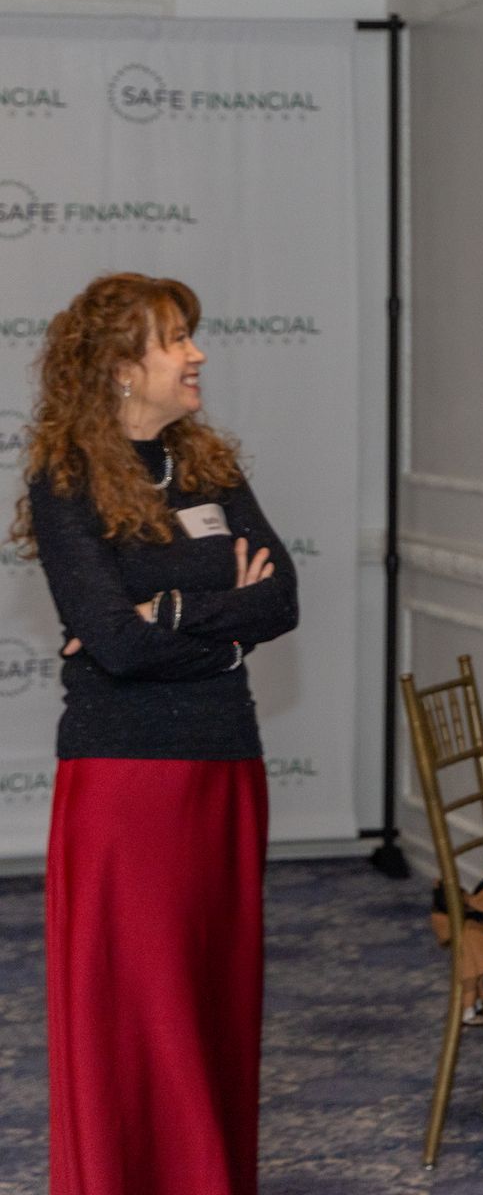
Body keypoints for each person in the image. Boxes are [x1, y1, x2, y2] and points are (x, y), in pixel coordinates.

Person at [10, 272, 299, 1195]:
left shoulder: (209, 466)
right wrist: (220, 623)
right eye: (176, 339)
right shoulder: (65, 485)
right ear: (122, 367)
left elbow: (282, 598)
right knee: (142, 1014)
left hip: (226, 767)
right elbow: (122, 650)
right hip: (127, 779)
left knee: (214, 1001)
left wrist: (170, 607)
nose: (197, 353)